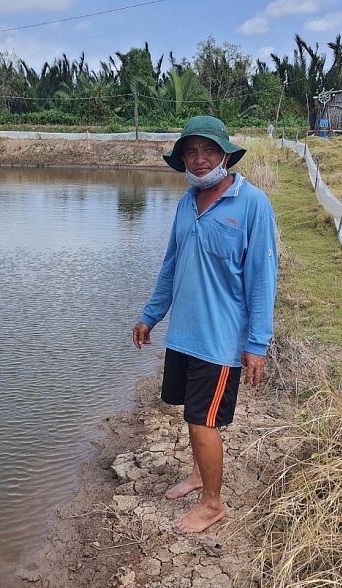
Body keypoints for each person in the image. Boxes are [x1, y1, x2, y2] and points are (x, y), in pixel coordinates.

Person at [132, 116, 277, 534]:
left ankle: (212, 503)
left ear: (226, 155)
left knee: (203, 420)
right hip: (184, 334)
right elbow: (170, 267)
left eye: (208, 151)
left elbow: (263, 279)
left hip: (220, 341)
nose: (199, 160)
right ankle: (199, 473)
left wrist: (257, 344)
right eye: (190, 153)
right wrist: (150, 316)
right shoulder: (185, 203)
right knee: (189, 413)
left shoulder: (252, 204)